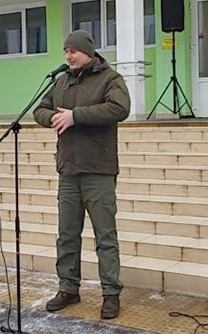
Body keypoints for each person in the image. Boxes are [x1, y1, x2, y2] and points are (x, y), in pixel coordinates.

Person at [34, 30, 131, 320]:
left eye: (73, 51)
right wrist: (53, 117)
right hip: (68, 170)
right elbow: (39, 109)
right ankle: (68, 288)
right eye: (66, 51)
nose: (68, 56)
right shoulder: (61, 80)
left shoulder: (110, 78)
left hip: (98, 170)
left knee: (105, 236)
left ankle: (111, 293)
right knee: (67, 235)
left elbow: (119, 108)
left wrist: (76, 115)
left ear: (87, 52)